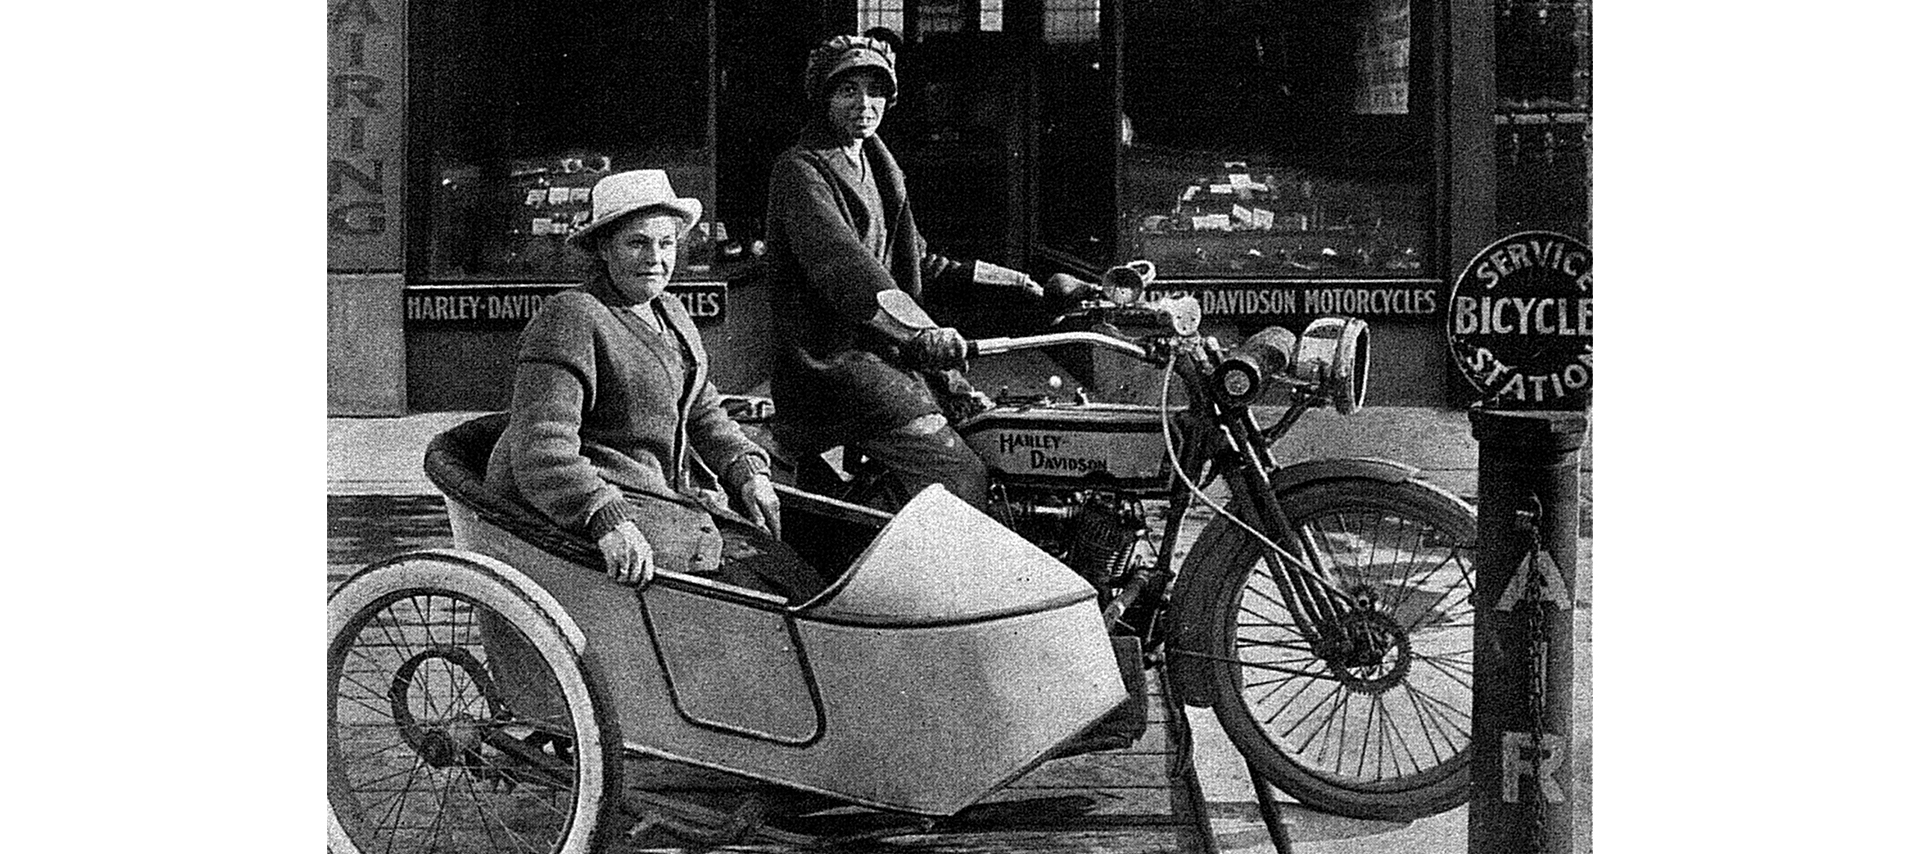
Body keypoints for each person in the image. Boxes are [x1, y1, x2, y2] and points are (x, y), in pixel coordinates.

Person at [488, 168, 827, 602]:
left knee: (791, 573)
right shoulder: (573, 317)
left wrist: (746, 470)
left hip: (664, 497)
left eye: (666, 243)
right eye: (637, 243)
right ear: (604, 248)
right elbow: (541, 448)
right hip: (612, 501)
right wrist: (604, 518)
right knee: (750, 596)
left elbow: (703, 411)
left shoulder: (670, 311)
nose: (655, 258)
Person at [763, 34, 1065, 516]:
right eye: (848, 90)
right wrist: (921, 334)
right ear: (823, 96)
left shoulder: (878, 164)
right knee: (959, 474)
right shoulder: (802, 170)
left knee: (1001, 438)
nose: (865, 104)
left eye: (875, 90)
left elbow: (922, 261)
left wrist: (1021, 283)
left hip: (889, 357)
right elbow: (847, 269)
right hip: (836, 363)